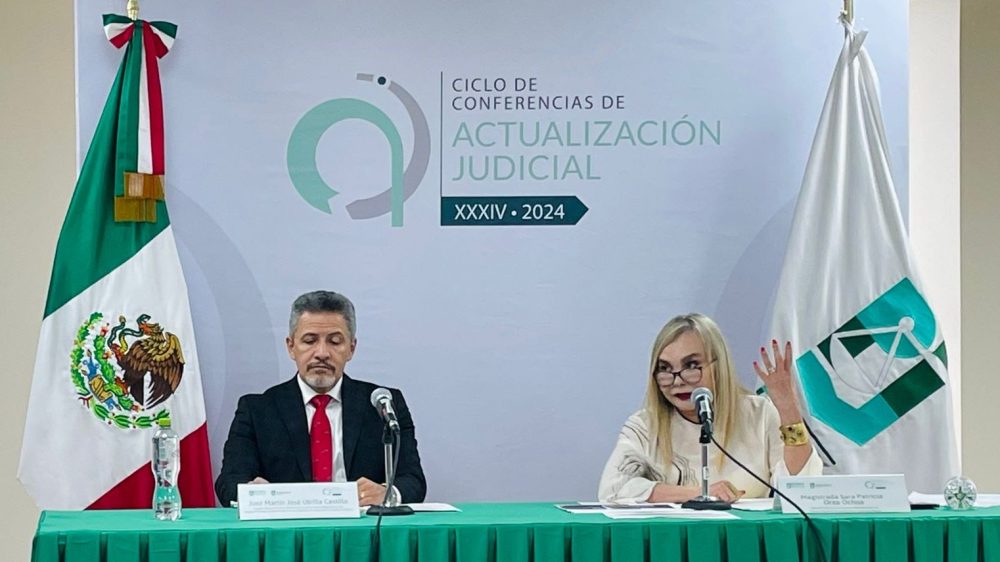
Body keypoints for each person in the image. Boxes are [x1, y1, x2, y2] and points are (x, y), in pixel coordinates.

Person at [214, 290, 426, 507]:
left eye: (335, 341)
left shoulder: (382, 405)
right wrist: (251, 492)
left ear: (351, 348)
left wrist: (388, 493)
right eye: (310, 341)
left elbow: (413, 481)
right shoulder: (257, 410)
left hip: (363, 532)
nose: (322, 353)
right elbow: (229, 481)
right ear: (291, 347)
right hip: (287, 532)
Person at [598, 313, 821, 503]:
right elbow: (613, 489)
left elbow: (801, 486)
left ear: (719, 365)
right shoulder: (644, 426)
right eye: (665, 369)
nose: (678, 380)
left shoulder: (759, 414)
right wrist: (701, 494)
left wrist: (788, 408)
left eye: (692, 366)